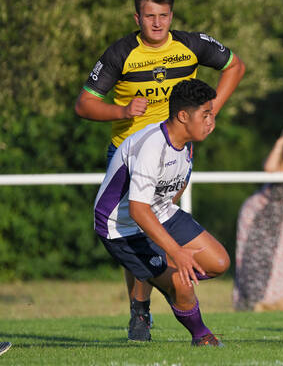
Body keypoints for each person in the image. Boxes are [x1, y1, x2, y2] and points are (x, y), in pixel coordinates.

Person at [74, 0, 245, 341]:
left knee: (162, 222)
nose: (156, 23)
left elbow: (235, 67)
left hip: (180, 146)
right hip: (131, 152)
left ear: (172, 16)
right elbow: (83, 104)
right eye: (149, 16)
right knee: (141, 224)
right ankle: (141, 310)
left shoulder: (191, 44)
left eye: (163, 16)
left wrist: (208, 113)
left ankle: (164, 279)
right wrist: (121, 109)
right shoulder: (121, 53)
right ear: (137, 17)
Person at [94, 78, 229, 347]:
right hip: (121, 227)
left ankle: (167, 283)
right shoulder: (151, 145)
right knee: (182, 283)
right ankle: (201, 336)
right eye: (205, 114)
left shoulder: (186, 144)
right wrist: (175, 252)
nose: (211, 121)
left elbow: (174, 188)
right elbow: (137, 209)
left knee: (219, 262)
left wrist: (168, 245)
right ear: (182, 116)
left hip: (160, 214)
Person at [233, 125, 283, 311]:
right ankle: (250, 299)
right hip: (258, 211)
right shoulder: (274, 161)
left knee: (280, 255)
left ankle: (276, 298)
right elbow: (269, 169)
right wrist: (280, 143)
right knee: (249, 255)